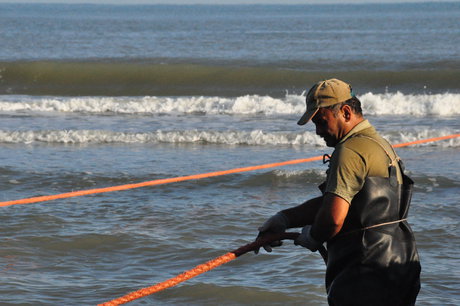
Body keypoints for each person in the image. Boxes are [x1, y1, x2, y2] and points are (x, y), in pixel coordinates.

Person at [255, 79, 421, 305]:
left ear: (345, 112)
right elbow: (339, 202)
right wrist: (285, 219)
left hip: (364, 273)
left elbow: (333, 218)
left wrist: (313, 237)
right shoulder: (379, 144)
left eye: (321, 121)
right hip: (401, 264)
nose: (318, 131)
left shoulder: (349, 151)